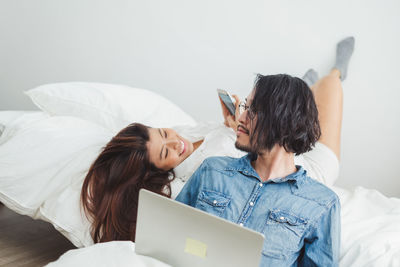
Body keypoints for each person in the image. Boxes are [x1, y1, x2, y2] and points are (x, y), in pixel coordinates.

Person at [81, 37, 354, 247]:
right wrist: (238, 128)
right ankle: (334, 73)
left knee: (304, 97)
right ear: (159, 170)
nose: (176, 143)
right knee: (332, 87)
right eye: (166, 153)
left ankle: (299, 94)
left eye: (164, 133)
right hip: (310, 163)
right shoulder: (202, 171)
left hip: (275, 139)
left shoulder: (184, 133)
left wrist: (231, 124)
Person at [176, 37, 355, 266]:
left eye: (252, 110)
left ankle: (336, 71)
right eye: (244, 107)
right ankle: (304, 83)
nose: (240, 117)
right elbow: (174, 238)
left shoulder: (322, 203)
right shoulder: (212, 170)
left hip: (317, 161)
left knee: (331, 88)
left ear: (282, 120)